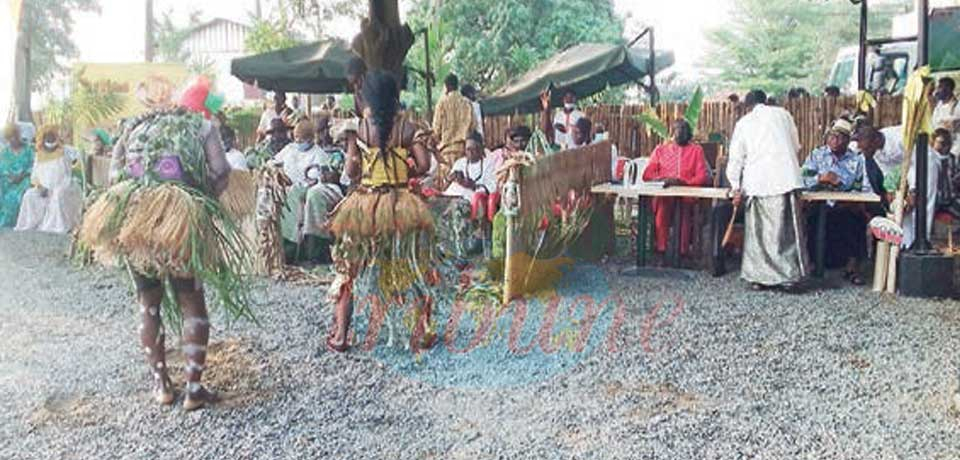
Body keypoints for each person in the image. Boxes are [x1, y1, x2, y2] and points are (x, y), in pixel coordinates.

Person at [78, 77, 251, 411]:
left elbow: (115, 179)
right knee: (191, 301)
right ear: (172, 96)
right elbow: (221, 171)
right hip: (180, 224)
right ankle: (194, 389)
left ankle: (162, 386)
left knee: (148, 302)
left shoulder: (130, 130)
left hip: (137, 225)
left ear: (145, 100)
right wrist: (197, 203)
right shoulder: (200, 126)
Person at [326, 70, 437, 353]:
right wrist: (407, 166)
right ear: (395, 95)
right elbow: (425, 166)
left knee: (348, 271)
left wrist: (360, 160)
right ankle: (422, 333)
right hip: (402, 206)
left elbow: (350, 171)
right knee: (416, 265)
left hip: (364, 206)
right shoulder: (408, 128)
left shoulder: (359, 129)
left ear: (368, 96)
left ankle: (340, 335)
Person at [726, 89, 808, 290]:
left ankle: (760, 278)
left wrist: (735, 185)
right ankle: (789, 277)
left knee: (759, 234)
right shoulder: (783, 115)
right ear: (766, 102)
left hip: (759, 181)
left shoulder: (744, 123)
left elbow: (736, 157)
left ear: (748, 106)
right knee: (785, 232)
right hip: (786, 178)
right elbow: (796, 146)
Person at [801, 118, 872, 285]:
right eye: (832, 136)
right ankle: (812, 264)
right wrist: (821, 178)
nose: (834, 140)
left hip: (844, 205)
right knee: (813, 216)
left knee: (856, 218)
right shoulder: (816, 155)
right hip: (819, 203)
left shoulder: (856, 160)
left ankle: (852, 268)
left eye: (840, 137)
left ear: (848, 141)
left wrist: (848, 196)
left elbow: (862, 187)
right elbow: (802, 179)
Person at [642, 120, 710, 263]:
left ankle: (683, 252)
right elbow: (647, 175)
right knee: (662, 208)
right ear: (672, 132)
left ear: (689, 133)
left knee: (685, 211)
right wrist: (664, 179)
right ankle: (661, 249)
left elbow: (702, 176)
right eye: (678, 129)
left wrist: (684, 182)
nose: (681, 132)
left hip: (688, 193)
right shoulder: (660, 150)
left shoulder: (696, 150)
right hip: (665, 194)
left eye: (685, 129)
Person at [14, 125, 83, 234]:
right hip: (43, 189)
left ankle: (58, 226)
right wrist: (40, 187)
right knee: (29, 195)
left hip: (63, 186)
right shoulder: (39, 155)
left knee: (58, 195)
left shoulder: (65, 151)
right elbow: (35, 176)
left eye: (52, 136)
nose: (50, 139)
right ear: (43, 138)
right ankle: (29, 225)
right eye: (47, 137)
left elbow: (78, 158)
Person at [432, 73, 477, 187]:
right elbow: (473, 127)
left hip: (446, 154)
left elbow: (436, 131)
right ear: (457, 86)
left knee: (447, 187)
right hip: (464, 151)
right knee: (462, 186)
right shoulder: (467, 103)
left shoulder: (441, 103)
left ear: (446, 86)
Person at [0, 123, 34, 227]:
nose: (12, 140)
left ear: (18, 135)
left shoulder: (28, 150)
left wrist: (22, 175)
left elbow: (34, 166)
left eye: (14, 136)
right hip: (8, 181)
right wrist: (10, 176)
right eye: (9, 138)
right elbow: (2, 169)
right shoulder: (4, 153)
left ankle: (20, 223)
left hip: (24, 179)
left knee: (17, 195)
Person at [933, 77, 960, 156]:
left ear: (948, 89)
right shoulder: (938, 106)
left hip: (955, 150)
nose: (936, 91)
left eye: (939, 87)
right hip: (939, 151)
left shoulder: (958, 106)